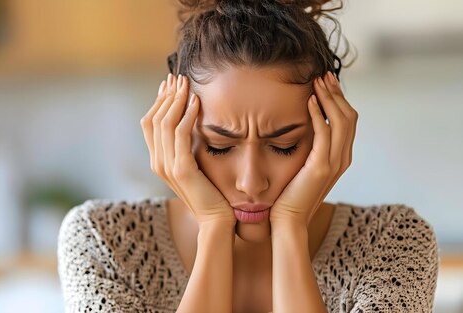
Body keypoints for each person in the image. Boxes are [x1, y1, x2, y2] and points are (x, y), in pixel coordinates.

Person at [57, 0, 440, 312]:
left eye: (284, 145)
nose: (251, 182)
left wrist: (290, 226)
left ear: (330, 132)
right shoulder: (102, 241)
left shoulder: (394, 243)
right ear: (172, 132)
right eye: (220, 147)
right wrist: (213, 228)